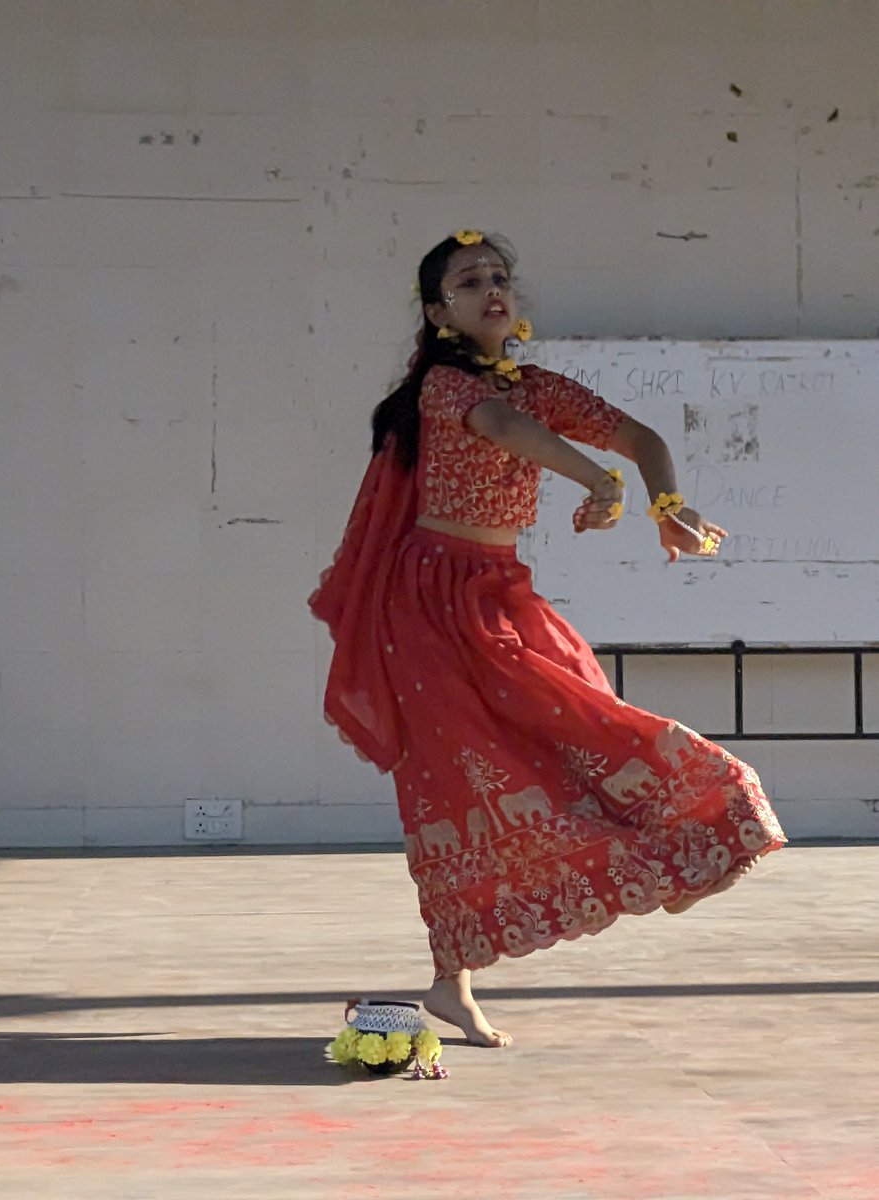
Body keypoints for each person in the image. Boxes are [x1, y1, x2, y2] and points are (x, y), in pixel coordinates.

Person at [309, 230, 786, 1049]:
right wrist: (592, 480)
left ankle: (668, 848)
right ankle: (451, 981)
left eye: (500, 277)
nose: (492, 288)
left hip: (496, 597)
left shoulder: (539, 387)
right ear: (438, 311)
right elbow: (499, 427)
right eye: (469, 281)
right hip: (423, 606)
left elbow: (641, 439)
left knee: (578, 727)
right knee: (451, 782)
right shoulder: (444, 390)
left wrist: (664, 505)